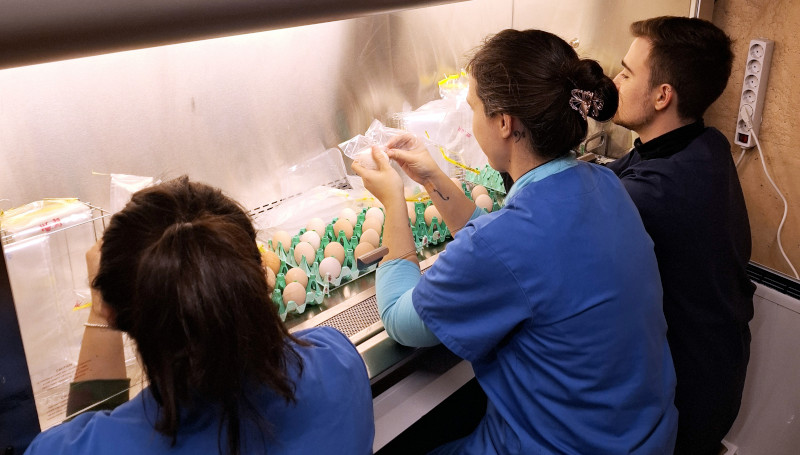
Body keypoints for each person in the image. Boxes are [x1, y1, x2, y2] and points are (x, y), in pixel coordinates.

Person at [354, 29, 678, 454]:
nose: (470, 120)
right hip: (644, 436)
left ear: (504, 122)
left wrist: (393, 201)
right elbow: (504, 248)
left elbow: (401, 319)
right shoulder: (602, 183)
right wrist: (433, 177)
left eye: (472, 108)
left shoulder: (507, 243)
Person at [24, 177, 374, 455]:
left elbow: (79, 439)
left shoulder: (95, 446)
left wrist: (100, 306)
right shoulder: (338, 362)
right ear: (258, 277)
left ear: (115, 312)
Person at [607, 16, 755, 455]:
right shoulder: (702, 143)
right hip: (716, 369)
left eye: (626, 72)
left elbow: (552, 215)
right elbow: (618, 173)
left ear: (662, 96)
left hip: (685, 398)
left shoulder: (660, 192)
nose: (615, 80)